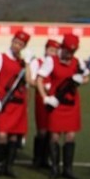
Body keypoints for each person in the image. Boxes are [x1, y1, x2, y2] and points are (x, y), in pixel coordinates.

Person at [35, 33, 89, 179]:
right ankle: (54, 168)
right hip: (56, 103)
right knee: (55, 135)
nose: (69, 54)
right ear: (62, 47)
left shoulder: (78, 62)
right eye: (67, 51)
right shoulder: (51, 61)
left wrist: (81, 80)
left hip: (71, 103)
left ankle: (68, 169)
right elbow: (39, 79)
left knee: (70, 135)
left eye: (72, 52)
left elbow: (86, 77)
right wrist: (45, 98)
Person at [0, 31, 30, 178]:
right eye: (16, 42)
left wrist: (27, 64)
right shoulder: (1, 57)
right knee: (2, 134)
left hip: (18, 104)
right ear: (12, 41)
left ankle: (9, 166)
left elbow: (29, 82)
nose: (17, 46)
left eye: (21, 44)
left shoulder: (22, 62)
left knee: (14, 136)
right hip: (4, 102)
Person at [29, 38, 60, 168]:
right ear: (46, 49)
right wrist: (43, 85)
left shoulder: (57, 63)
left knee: (52, 129)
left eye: (55, 51)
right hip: (41, 98)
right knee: (42, 130)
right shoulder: (38, 62)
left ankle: (47, 160)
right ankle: (37, 159)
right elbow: (31, 81)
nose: (52, 53)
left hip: (55, 100)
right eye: (50, 50)